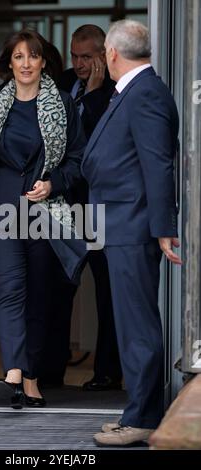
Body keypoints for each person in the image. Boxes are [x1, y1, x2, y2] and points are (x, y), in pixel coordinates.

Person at [0, 30, 87, 409]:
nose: (25, 64)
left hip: (44, 212)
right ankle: (13, 374)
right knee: (10, 292)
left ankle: (30, 377)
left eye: (32, 57)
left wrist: (54, 182)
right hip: (0, 211)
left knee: (39, 297)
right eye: (18, 57)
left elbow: (79, 160)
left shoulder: (62, 104)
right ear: (8, 64)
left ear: (44, 62)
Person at [82, 20, 182, 446]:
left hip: (134, 224)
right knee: (130, 323)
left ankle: (142, 418)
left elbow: (158, 164)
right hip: (120, 222)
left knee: (137, 325)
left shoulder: (145, 94)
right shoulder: (136, 92)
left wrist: (163, 228)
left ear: (112, 54)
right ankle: (137, 412)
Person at [39, 25, 122, 392]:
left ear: (104, 55)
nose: (79, 63)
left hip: (100, 204)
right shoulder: (66, 80)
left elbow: (98, 137)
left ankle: (106, 373)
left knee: (106, 291)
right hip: (65, 205)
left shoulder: (114, 87)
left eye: (87, 56)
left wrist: (91, 93)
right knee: (59, 288)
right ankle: (50, 372)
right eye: (74, 55)